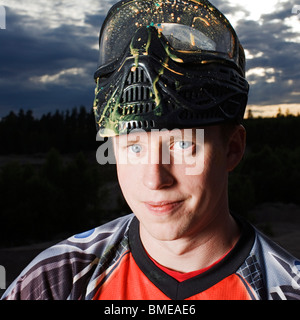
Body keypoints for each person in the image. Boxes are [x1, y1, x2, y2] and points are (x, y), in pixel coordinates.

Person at [2, 0, 300, 300]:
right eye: (134, 147)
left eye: (183, 145)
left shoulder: (287, 290)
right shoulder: (56, 280)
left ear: (233, 149)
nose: (154, 180)